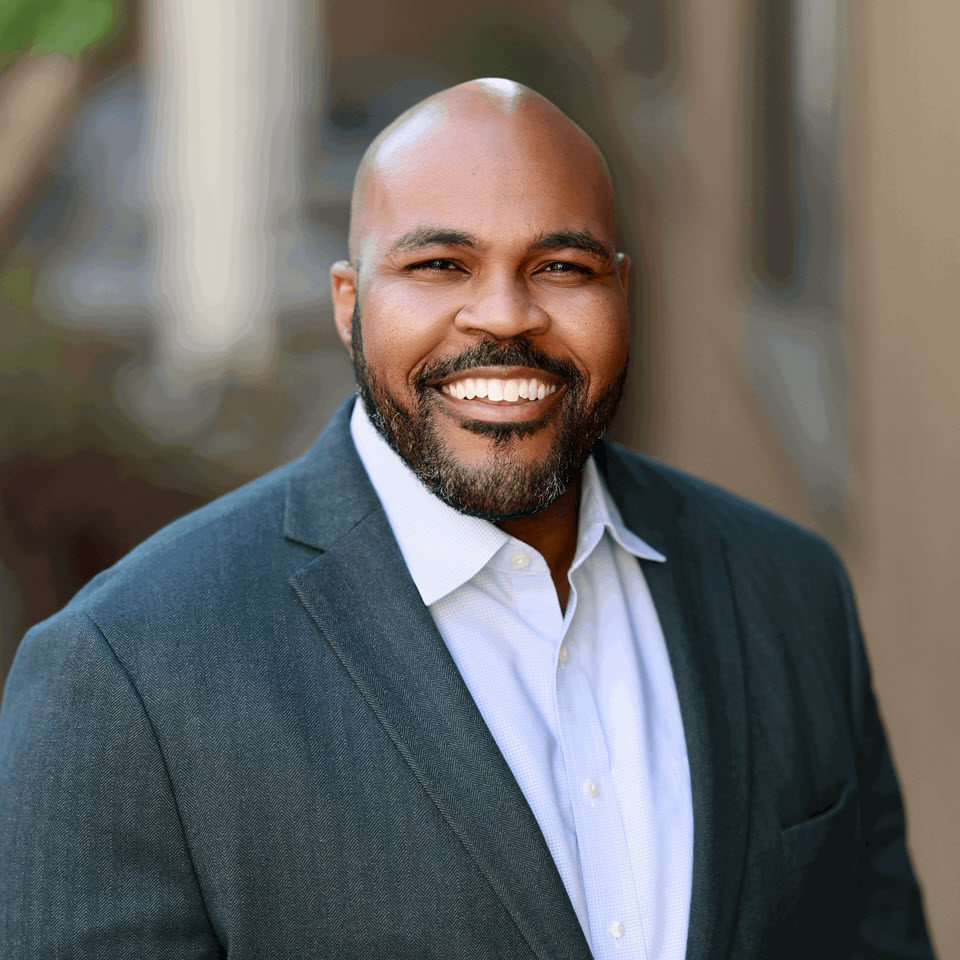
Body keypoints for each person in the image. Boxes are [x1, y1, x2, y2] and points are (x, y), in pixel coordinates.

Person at [0, 78, 935, 960]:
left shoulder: (790, 590)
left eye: (561, 265)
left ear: (622, 290)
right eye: (440, 263)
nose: (505, 315)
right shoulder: (126, 677)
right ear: (350, 305)